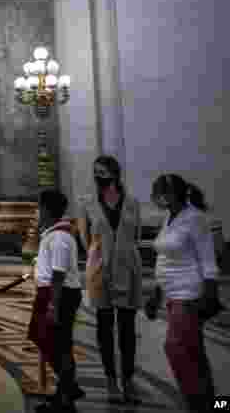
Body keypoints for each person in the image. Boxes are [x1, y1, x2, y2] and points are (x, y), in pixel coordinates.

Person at [145, 174, 220, 413]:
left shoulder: (195, 219)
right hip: (171, 294)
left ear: (173, 193)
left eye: (160, 193)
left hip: (189, 295)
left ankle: (195, 403)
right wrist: (156, 293)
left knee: (175, 348)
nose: (156, 198)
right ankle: (210, 403)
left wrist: (210, 296)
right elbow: (164, 257)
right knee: (193, 353)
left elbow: (208, 261)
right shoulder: (169, 217)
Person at [79, 155, 142, 403]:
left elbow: (135, 235)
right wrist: (99, 257)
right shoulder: (86, 203)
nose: (99, 176)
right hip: (100, 270)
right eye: (96, 172)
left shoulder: (133, 203)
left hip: (128, 269)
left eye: (103, 171)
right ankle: (110, 381)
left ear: (115, 173)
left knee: (127, 329)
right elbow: (85, 240)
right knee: (104, 327)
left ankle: (128, 380)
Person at [28, 189, 83, 412]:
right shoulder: (54, 234)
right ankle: (65, 390)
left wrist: (53, 304)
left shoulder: (60, 237)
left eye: (39, 207)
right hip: (53, 292)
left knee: (54, 342)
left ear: (47, 210)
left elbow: (59, 273)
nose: (37, 212)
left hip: (59, 294)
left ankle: (67, 390)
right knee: (52, 341)